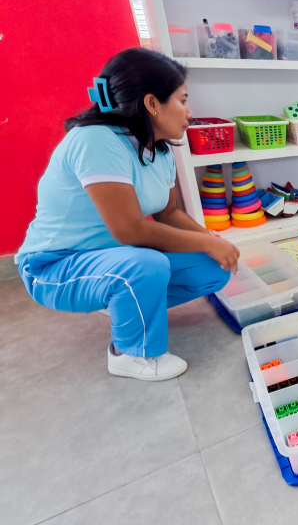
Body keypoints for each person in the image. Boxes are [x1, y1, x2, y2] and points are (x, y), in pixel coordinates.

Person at [15, 48, 238, 382]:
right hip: (53, 266)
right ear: (151, 104)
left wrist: (211, 242)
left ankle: (124, 302)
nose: (189, 112)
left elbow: (169, 213)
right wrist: (206, 242)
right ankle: (130, 353)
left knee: (212, 269)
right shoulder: (96, 141)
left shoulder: (159, 148)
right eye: (182, 100)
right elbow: (130, 232)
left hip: (110, 259)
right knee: (147, 265)